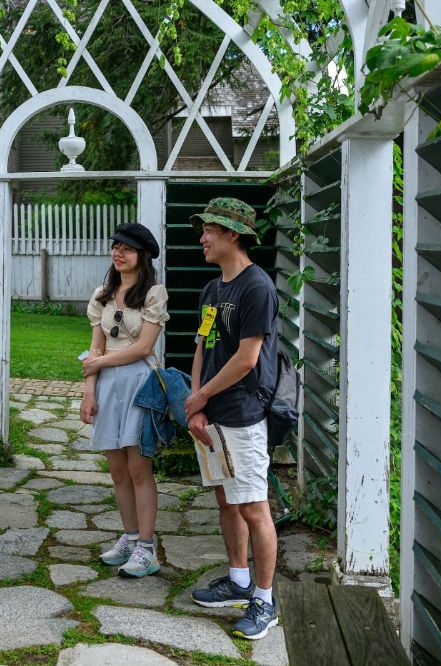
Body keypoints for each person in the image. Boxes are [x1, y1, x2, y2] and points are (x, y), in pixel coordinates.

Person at [185, 197, 280, 640]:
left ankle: (265, 599)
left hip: (242, 414)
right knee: (227, 501)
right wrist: (197, 403)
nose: (202, 238)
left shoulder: (256, 287)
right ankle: (238, 581)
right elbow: (203, 346)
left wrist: (201, 395)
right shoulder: (212, 289)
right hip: (213, 414)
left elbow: (247, 359)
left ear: (232, 235)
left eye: (209, 231)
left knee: (253, 507)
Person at [80, 222, 169, 578]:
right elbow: (95, 346)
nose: (118, 253)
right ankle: (130, 538)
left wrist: (99, 362)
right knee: (117, 471)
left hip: (139, 382)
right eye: (115, 246)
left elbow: (144, 347)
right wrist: (89, 390)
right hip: (106, 385)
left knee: (138, 467)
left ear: (142, 256)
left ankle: (147, 548)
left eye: (127, 249)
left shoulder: (153, 293)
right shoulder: (102, 293)